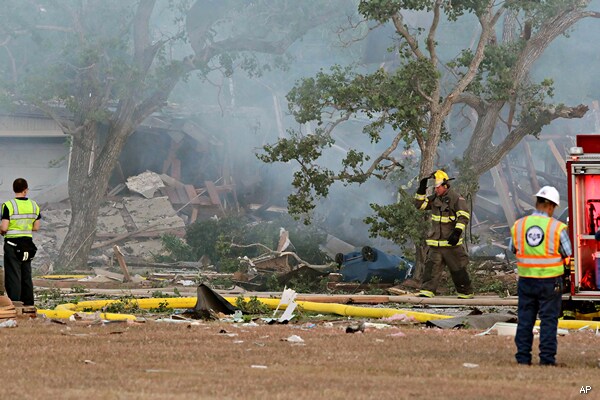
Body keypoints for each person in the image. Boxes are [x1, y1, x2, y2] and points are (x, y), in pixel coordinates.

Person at [509, 186, 572, 366]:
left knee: (525, 320)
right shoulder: (557, 227)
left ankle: (522, 358)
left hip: (526, 280)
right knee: (548, 321)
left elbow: (512, 248)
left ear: (537, 204)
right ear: (552, 207)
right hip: (550, 282)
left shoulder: (519, 225)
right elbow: (567, 252)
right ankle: (546, 360)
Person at [414, 170, 473, 299]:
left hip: (451, 244)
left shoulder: (456, 198)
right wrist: (421, 189)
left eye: (438, 187)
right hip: (436, 243)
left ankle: (465, 292)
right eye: (435, 188)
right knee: (431, 268)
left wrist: (457, 233)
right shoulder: (435, 198)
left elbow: (463, 217)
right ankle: (427, 291)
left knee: (458, 269)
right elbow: (420, 205)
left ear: (445, 185)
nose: (436, 190)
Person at [0, 178, 41, 306]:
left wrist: (2, 231)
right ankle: (28, 304)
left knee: (13, 276)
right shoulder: (34, 205)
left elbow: (4, 227)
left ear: (14, 190)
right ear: (25, 190)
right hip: (27, 246)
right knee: (26, 275)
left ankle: (16, 305)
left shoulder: (8, 205)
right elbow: (36, 227)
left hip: (12, 245)